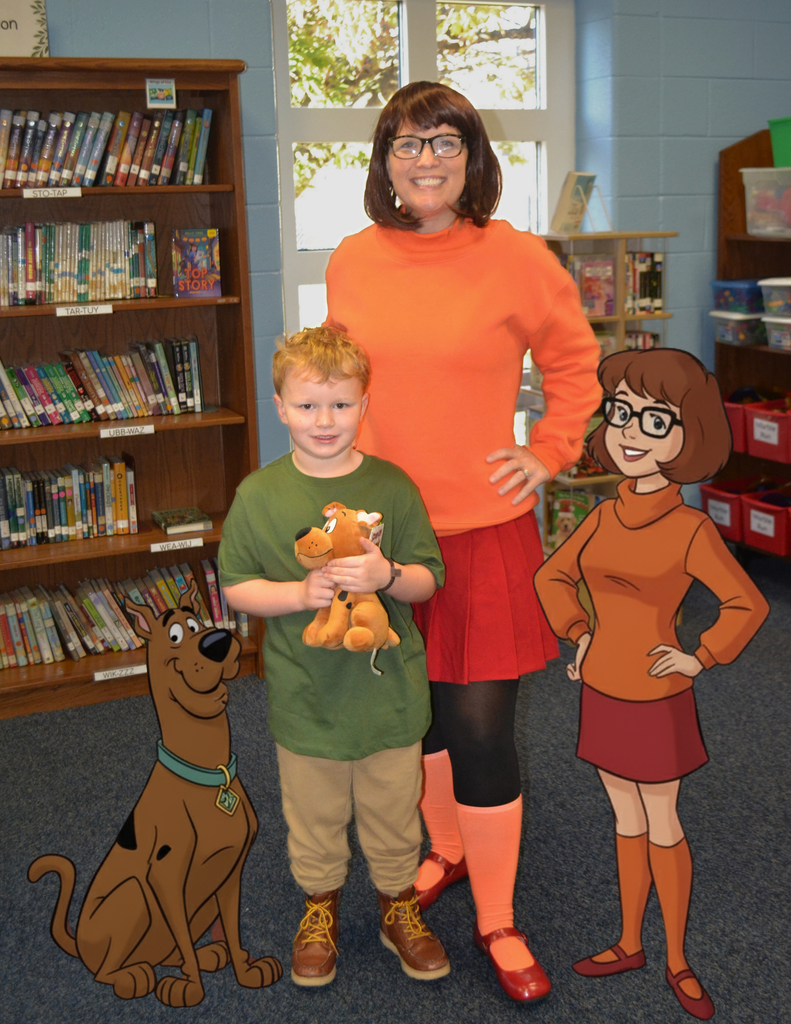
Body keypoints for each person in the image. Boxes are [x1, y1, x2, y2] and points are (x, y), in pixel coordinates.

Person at [324, 80, 602, 1002]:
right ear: (385, 161)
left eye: (446, 140)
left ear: (472, 157)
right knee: (417, 717)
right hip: (382, 532)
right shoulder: (353, 261)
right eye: (408, 142)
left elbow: (572, 364)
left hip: (482, 531)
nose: (427, 158)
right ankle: (442, 848)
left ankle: (497, 918)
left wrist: (549, 451)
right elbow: (341, 382)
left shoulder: (515, 258)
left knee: (480, 729)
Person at [534, 347, 769, 1020]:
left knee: (661, 818)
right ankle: (628, 942)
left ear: (686, 436)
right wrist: (577, 633)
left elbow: (746, 605)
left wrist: (700, 657)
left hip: (657, 695)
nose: (630, 432)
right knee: (624, 816)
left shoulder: (689, 527)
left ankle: (676, 960)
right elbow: (550, 575)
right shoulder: (603, 516)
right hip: (601, 685)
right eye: (621, 414)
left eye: (655, 421)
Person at [218, 326, 450, 988]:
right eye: (309, 405)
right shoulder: (259, 496)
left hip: (389, 697)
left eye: (342, 405)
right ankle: (318, 907)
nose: (326, 421)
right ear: (280, 405)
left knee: (393, 809)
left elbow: (428, 579)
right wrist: (299, 591)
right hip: (307, 695)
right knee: (314, 816)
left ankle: (396, 904)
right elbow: (237, 586)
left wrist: (387, 575)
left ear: (364, 404)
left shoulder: (393, 485)